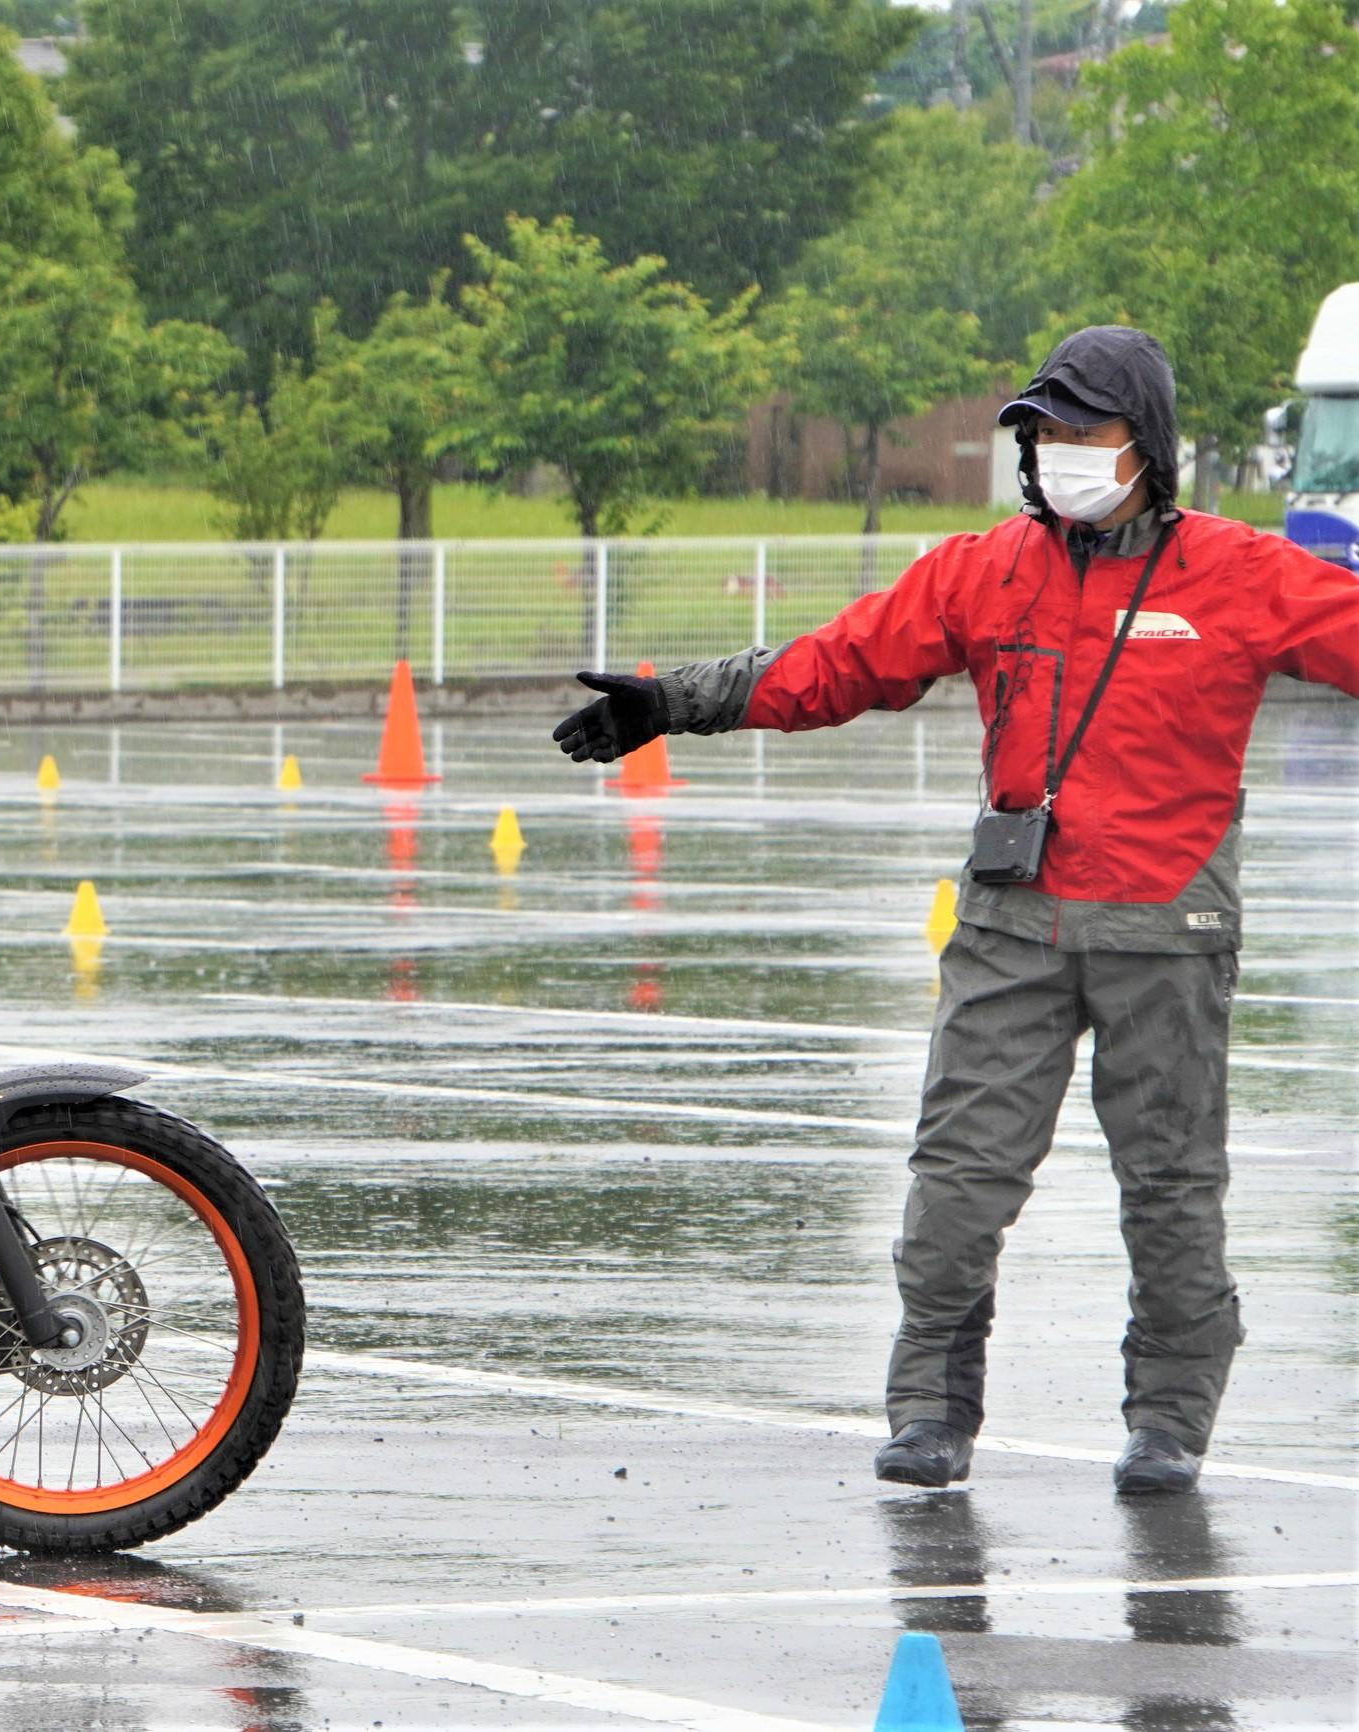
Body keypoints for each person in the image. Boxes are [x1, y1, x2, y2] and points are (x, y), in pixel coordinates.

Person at [551, 326, 1359, 1493]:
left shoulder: (1240, 572)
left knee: (1172, 1192)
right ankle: (929, 1407)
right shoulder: (985, 571)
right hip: (1011, 924)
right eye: (1044, 433)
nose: (1059, 452)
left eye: (1086, 431)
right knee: (954, 1185)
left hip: (1167, 935)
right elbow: (839, 662)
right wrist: (675, 699)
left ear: (1150, 446)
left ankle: (1169, 1421)